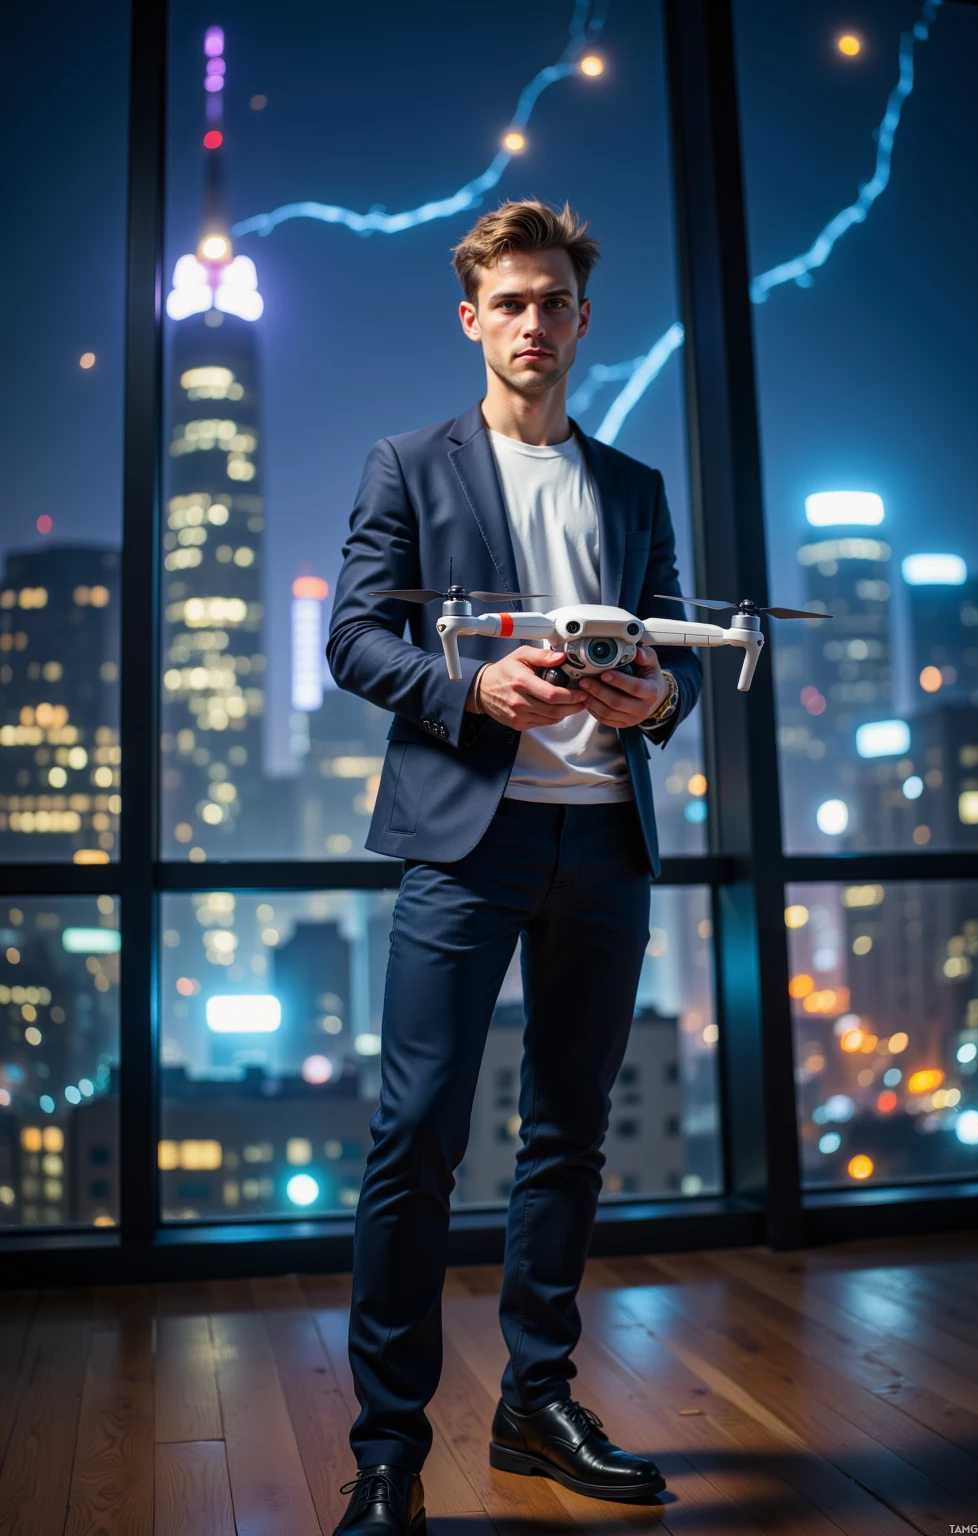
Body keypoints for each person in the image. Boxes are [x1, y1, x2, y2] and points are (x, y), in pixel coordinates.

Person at [326, 198, 701, 1535]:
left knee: (571, 1137)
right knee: (414, 1139)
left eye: (557, 302)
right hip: (465, 845)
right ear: (472, 317)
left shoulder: (636, 489)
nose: (536, 322)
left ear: (583, 322)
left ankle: (537, 1404)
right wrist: (474, 688)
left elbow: (675, 676)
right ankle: (387, 1455)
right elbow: (354, 643)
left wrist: (648, 701)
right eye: (513, 301)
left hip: (602, 837)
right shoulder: (407, 464)